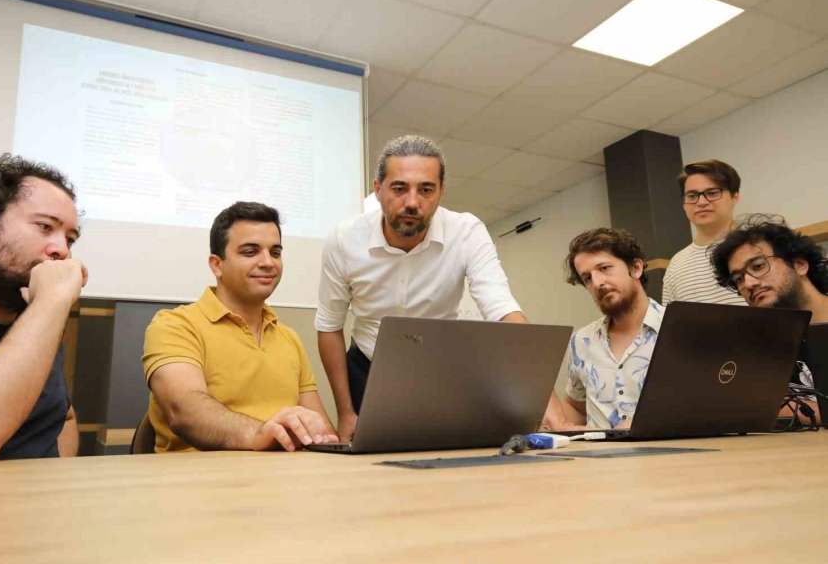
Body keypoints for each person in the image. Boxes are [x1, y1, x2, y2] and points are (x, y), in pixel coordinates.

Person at [315, 135, 526, 441]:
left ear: (441, 192)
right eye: (399, 188)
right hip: (367, 368)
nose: (412, 202)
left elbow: (502, 309)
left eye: (426, 190)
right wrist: (346, 412)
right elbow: (329, 326)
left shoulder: (466, 232)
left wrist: (541, 396)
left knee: (443, 460)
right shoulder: (344, 239)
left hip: (441, 369)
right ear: (378, 190)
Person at [143, 202, 337, 452]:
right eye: (250, 252)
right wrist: (261, 433)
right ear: (216, 265)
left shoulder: (289, 338)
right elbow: (184, 411)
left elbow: (324, 433)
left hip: (285, 481)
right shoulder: (175, 326)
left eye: (275, 252)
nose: (268, 262)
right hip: (199, 484)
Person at [0, 154, 86, 462]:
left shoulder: (34, 315)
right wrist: (51, 302)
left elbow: (64, 419)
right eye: (45, 226)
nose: (62, 250)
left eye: (70, 239)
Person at [711, 215, 828, 424]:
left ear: (800, 264)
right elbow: (748, 408)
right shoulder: (762, 346)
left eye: (757, 266)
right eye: (738, 279)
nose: (748, 283)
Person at [545, 228, 664, 430]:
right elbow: (578, 408)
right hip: (599, 458)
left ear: (635, 268)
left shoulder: (676, 329)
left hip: (670, 457)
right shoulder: (581, 341)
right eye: (587, 278)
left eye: (604, 268)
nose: (597, 282)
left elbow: (700, 404)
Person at [662, 160, 747, 306]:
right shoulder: (676, 265)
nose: (701, 202)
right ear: (684, 204)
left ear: (735, 197)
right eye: (692, 196)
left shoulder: (758, 248)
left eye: (712, 193)